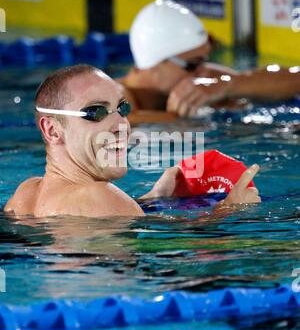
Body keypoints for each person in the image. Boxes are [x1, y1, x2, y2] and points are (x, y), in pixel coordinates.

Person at [4, 65, 261, 218]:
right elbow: (168, 248)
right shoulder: (101, 197)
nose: (121, 126)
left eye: (122, 108)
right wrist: (230, 210)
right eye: (96, 112)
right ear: (51, 130)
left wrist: (153, 199)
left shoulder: (25, 195)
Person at [120, 0, 300, 120]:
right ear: (154, 63)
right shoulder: (112, 97)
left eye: (205, 60)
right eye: (192, 64)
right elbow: (121, 125)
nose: (203, 71)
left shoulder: (209, 81)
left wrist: (228, 85)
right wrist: (185, 119)